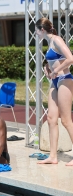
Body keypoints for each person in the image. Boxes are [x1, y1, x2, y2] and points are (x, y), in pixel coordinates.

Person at [35, 18, 73, 165]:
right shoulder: (50, 42)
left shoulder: (57, 39)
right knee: (51, 119)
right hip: (55, 81)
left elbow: (70, 58)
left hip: (65, 79)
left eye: (36, 30)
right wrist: (47, 67)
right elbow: (54, 59)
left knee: (65, 120)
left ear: (42, 30)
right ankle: (53, 156)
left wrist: (55, 70)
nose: (36, 34)